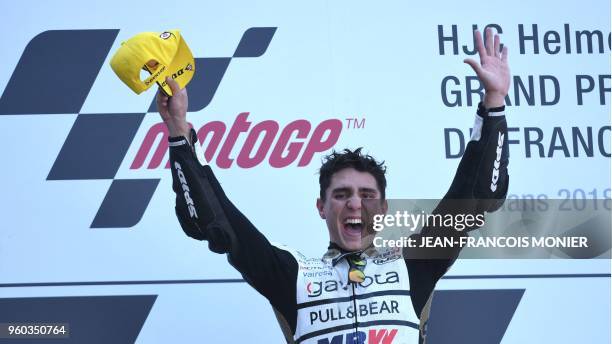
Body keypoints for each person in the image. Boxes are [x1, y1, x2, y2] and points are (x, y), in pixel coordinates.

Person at [157, 28, 510, 344]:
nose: (355, 204)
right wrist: (178, 132)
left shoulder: (412, 264)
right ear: (321, 207)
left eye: (367, 195)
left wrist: (494, 103)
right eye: (341, 195)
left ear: (384, 209)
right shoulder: (291, 275)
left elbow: (471, 201)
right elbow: (220, 224)